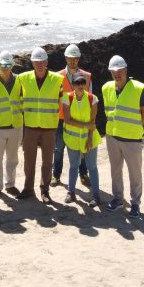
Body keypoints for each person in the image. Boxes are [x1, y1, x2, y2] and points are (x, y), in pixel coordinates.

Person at [101, 55, 144, 219]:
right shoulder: (106, 88)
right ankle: (117, 198)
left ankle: (135, 203)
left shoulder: (138, 88)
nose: (116, 74)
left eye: (119, 71)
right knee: (115, 170)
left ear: (125, 70)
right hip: (112, 137)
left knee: (134, 173)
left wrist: (134, 126)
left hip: (132, 139)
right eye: (113, 71)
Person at [17, 47, 63, 203]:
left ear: (47, 63)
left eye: (42, 62)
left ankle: (45, 190)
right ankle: (28, 188)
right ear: (32, 63)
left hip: (49, 127)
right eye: (36, 62)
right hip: (30, 126)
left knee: (47, 161)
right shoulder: (23, 78)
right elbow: (3, 78)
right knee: (29, 160)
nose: (39, 65)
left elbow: (67, 99)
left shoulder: (58, 79)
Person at [53, 44, 93, 189]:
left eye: (75, 59)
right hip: (61, 118)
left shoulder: (87, 76)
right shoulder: (57, 77)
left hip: (79, 118)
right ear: (66, 58)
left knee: (81, 147)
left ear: (78, 59)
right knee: (58, 148)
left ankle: (83, 174)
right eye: (70, 58)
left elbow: (90, 97)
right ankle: (56, 175)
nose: (73, 61)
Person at [61, 72, 102, 207]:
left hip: (89, 139)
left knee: (92, 167)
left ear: (85, 84)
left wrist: (89, 138)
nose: (80, 85)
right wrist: (85, 125)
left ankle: (96, 196)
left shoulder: (92, 99)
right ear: (72, 85)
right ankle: (71, 192)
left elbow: (93, 121)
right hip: (72, 140)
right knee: (73, 166)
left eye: (82, 83)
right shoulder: (67, 98)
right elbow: (67, 120)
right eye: (77, 83)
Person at [0, 51, 23, 198]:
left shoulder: (20, 80)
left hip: (15, 126)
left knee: (13, 158)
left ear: (12, 65)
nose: (5, 68)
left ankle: (11, 184)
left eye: (8, 65)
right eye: (2, 65)